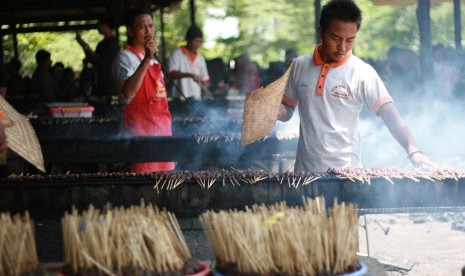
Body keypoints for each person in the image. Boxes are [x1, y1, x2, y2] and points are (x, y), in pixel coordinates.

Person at [277, 0, 436, 173]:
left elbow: (390, 114)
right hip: (305, 175)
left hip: (347, 176)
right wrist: (277, 111)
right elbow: (288, 109)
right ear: (321, 32)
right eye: (335, 38)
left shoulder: (361, 72)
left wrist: (414, 151)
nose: (342, 47)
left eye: (350, 40)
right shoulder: (299, 66)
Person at [111, 8, 175, 173]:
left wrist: (150, 57)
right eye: (142, 27)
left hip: (163, 135)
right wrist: (147, 58)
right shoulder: (124, 58)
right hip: (140, 136)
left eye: (151, 26)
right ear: (131, 31)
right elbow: (128, 92)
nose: (148, 31)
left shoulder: (155, 59)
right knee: (144, 193)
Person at [76, 13, 120, 100]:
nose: (98, 27)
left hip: (109, 85)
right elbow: (93, 59)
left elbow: (100, 60)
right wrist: (84, 46)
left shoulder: (113, 43)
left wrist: (84, 45)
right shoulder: (101, 43)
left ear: (105, 25)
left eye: (99, 24)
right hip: (99, 84)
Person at [168, 25, 210, 100]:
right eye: (196, 41)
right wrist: (190, 75)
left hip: (196, 97)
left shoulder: (200, 58)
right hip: (179, 98)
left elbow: (205, 79)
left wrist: (204, 84)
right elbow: (171, 74)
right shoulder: (177, 54)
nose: (198, 44)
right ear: (188, 40)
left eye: (200, 41)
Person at [29, 49, 58, 116]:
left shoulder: (40, 73)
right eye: (49, 59)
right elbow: (48, 93)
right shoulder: (43, 74)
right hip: (43, 107)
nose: (51, 61)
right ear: (44, 61)